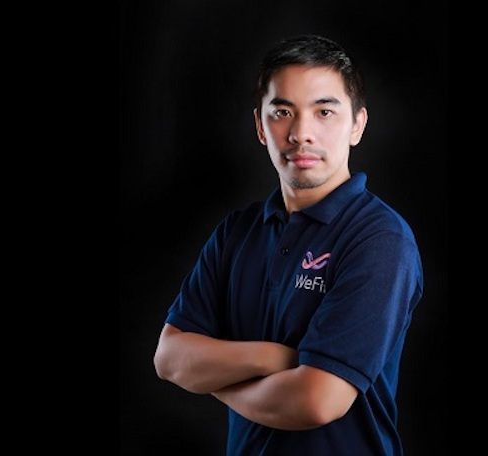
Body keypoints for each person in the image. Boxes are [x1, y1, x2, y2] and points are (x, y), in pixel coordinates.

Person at [153, 34, 424, 456]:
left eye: (324, 112)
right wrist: (274, 357)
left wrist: (215, 383)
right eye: (282, 112)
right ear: (260, 127)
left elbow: (317, 401)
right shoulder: (237, 233)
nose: (301, 133)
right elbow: (169, 358)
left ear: (357, 125)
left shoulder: (379, 239)